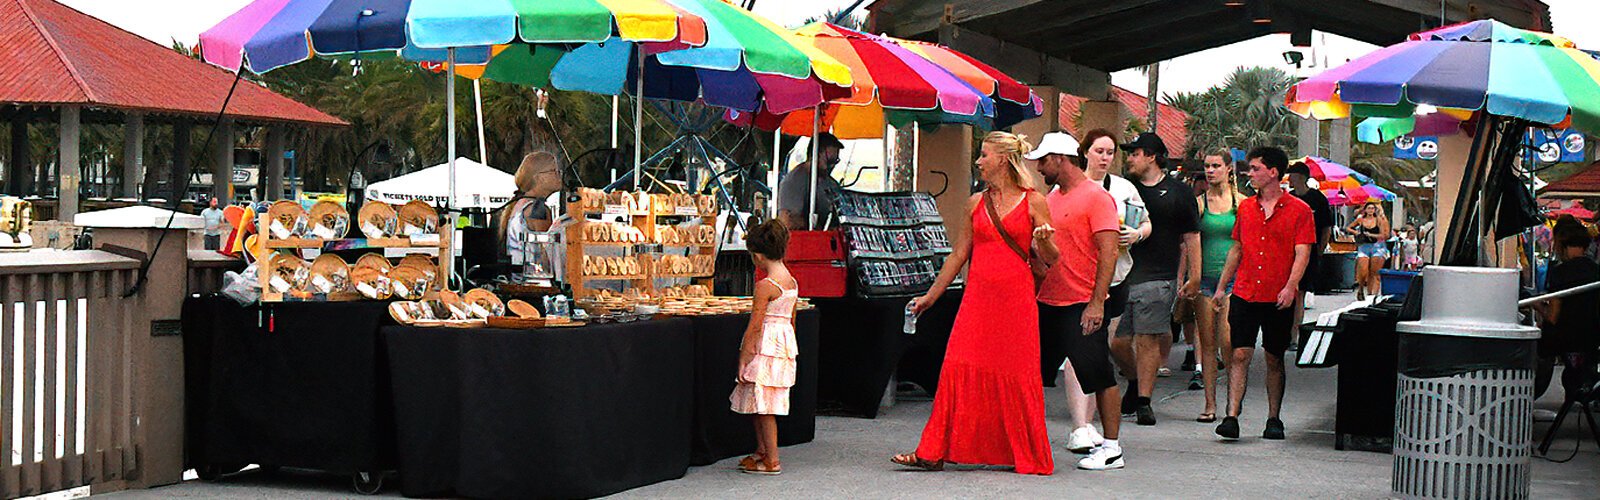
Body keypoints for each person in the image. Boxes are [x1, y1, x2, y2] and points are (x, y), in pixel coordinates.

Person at [892, 132, 1060, 475]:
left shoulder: (1034, 201)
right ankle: (933, 450)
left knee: (1015, 373)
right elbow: (959, 255)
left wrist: (1044, 242)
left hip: (1015, 301)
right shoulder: (974, 202)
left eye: (984, 155)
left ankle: (1025, 453)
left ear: (1002, 160)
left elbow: (1053, 258)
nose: (979, 161)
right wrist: (930, 296)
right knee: (957, 365)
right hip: (978, 298)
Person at [1028, 132, 1126, 470]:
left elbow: (1109, 251)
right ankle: (1026, 440)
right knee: (1033, 374)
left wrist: (1097, 302)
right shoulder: (1052, 199)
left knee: (1098, 375)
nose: (1039, 168)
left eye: (1043, 160)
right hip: (1048, 302)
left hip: (1081, 302)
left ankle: (1112, 448)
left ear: (1060, 158)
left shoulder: (1096, 198)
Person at [1211, 147, 1315, 441]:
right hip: (1245, 289)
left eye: (1255, 169)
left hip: (1277, 293)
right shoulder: (1245, 208)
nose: (1250, 174)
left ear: (1273, 172)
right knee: (1239, 352)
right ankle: (1231, 415)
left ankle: (1274, 417)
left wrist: (1290, 286)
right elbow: (1237, 249)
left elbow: (1302, 252)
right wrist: (1222, 287)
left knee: (1273, 356)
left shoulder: (1299, 210)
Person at [1112, 132, 1200, 426]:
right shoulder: (1124, 188)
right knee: (1117, 343)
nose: (1130, 159)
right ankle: (1135, 379)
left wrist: (1195, 275)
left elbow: (1191, 236)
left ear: (1151, 155)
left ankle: (1144, 401)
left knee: (1147, 338)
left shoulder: (1178, 192)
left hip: (1159, 275)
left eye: (1135, 153)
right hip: (1122, 274)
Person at [731, 219, 799, 475]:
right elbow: (792, 319)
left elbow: (755, 325)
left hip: (765, 347)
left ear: (757, 256)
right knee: (760, 402)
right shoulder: (791, 282)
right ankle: (762, 451)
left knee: (765, 407)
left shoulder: (765, 286)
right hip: (782, 348)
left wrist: (744, 355)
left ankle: (772, 459)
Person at [1184, 150, 1244, 422]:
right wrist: (1186, 277)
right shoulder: (1198, 204)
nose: (1210, 171)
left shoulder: (1241, 204)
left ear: (1229, 169)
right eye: (1207, 166)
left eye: (1216, 166)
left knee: (1230, 342)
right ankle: (1210, 403)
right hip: (1204, 279)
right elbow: (1188, 243)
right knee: (1208, 344)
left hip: (1232, 280)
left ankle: (1233, 403)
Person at [1535, 216, 1599, 399]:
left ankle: (1529, 394)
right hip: (1590, 337)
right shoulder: (1595, 271)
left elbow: (1553, 316)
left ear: (1561, 246)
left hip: (1564, 338)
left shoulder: (1560, 273)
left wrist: (1537, 305)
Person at [1285, 161, 1333, 349]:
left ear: (1302, 177)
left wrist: (1319, 250)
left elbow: (1326, 227)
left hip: (1309, 251)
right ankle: (1286, 332)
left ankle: (1295, 335)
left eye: (1293, 175)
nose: (1290, 179)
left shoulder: (1317, 199)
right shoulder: (1288, 198)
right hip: (1287, 252)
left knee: (1299, 293)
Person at [499, 151, 563, 261]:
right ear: (539, 178)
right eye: (554, 171)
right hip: (534, 277)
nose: (559, 175)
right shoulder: (538, 209)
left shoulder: (520, 204)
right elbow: (546, 254)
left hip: (518, 276)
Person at [778, 132, 845, 230]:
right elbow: (786, 221)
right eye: (830, 161)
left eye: (835, 161)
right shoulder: (794, 181)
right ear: (815, 154)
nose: (832, 166)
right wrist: (815, 224)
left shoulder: (831, 183)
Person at [1344, 201, 1391, 300]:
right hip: (1364, 246)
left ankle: (1371, 294)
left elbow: (1384, 235)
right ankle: (1361, 288)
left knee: (1374, 272)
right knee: (1363, 270)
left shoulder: (1379, 220)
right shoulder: (1361, 219)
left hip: (1377, 246)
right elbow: (1348, 227)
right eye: (1369, 208)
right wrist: (1356, 232)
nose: (1370, 210)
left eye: (1372, 208)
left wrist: (1371, 235)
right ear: (1365, 210)